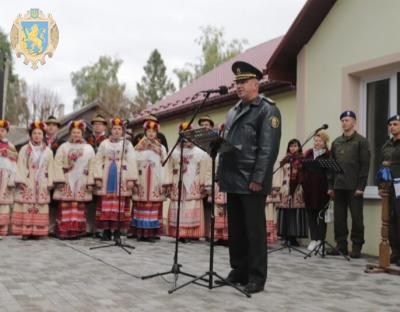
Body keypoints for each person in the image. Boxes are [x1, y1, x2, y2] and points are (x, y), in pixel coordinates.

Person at [218, 61, 281, 294]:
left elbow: (268, 148)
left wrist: (258, 177)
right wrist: (220, 176)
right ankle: (239, 270)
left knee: (254, 231)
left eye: (243, 82)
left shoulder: (268, 109)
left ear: (256, 84)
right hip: (233, 179)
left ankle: (256, 276)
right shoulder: (233, 110)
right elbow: (226, 147)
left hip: (252, 180)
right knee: (236, 230)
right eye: (237, 82)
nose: (238, 86)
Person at [327, 110, 370, 258]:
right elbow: (331, 166)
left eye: (347, 120)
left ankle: (357, 246)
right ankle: (341, 245)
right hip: (339, 186)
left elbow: (365, 166)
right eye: (343, 120)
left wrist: (361, 186)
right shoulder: (336, 142)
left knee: (357, 218)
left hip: (354, 187)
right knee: (339, 218)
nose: (344, 123)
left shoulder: (361, 141)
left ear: (354, 122)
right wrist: (330, 186)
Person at [165, 122, 211, 243]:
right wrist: (168, 183)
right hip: (178, 183)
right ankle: (179, 233)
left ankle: (192, 233)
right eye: (183, 135)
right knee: (178, 206)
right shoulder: (174, 151)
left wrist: (203, 184)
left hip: (193, 183)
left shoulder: (200, 151)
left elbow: (204, 168)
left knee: (191, 205)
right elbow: (169, 168)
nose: (186, 138)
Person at [94, 118, 138, 241]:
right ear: (111, 130)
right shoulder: (104, 143)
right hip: (107, 176)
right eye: (114, 129)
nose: (117, 131)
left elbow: (132, 161)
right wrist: (97, 177)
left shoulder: (127, 144)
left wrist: (131, 179)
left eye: (119, 129)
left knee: (119, 204)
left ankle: (117, 231)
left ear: (123, 131)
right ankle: (106, 231)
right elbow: (98, 160)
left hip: (122, 176)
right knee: (106, 204)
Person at [53, 120, 95, 239]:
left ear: (82, 133)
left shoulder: (89, 148)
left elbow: (92, 165)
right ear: (70, 133)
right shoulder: (63, 147)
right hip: (67, 179)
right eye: (74, 132)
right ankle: (64, 231)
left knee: (79, 206)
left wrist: (90, 181)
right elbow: (57, 163)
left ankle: (77, 231)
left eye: (78, 132)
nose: (76, 134)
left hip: (82, 179)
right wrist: (61, 176)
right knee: (66, 205)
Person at [12, 121, 54, 239]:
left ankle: (37, 231)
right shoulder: (25, 149)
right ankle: (26, 231)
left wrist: (50, 181)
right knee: (27, 204)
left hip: (42, 181)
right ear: (30, 135)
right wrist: (21, 180)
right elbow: (20, 164)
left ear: (43, 135)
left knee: (40, 205)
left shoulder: (48, 151)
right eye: (34, 133)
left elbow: (50, 167)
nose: (37, 135)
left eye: (39, 133)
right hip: (28, 180)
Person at [131, 119, 167, 242]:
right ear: (145, 132)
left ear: (157, 133)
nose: (151, 134)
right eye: (149, 131)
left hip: (155, 180)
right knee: (141, 205)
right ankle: (140, 232)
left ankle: (151, 233)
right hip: (142, 179)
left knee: (152, 206)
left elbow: (164, 165)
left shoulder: (161, 148)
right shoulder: (138, 147)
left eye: (154, 131)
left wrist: (163, 182)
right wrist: (134, 180)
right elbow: (133, 163)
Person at [275, 139, 307, 246]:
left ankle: (294, 237)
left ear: (299, 147)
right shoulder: (285, 159)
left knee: (295, 212)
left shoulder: (302, 159)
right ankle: (285, 235)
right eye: (291, 146)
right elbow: (280, 173)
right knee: (285, 212)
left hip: (297, 188)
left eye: (295, 146)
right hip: (285, 188)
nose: (293, 148)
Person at [302, 131, 330, 251]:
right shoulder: (308, 153)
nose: (317, 143)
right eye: (316, 141)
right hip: (308, 190)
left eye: (320, 141)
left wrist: (330, 188)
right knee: (311, 215)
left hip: (322, 190)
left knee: (321, 215)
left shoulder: (328, 155)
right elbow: (302, 170)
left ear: (325, 143)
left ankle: (320, 240)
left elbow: (330, 173)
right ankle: (313, 239)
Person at [379, 114, 400, 266]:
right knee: (390, 220)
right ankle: (395, 252)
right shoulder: (386, 146)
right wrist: (380, 185)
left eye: (396, 124)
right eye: (390, 124)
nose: (392, 127)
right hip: (389, 188)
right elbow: (382, 167)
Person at [86, 114, 108, 237]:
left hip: (102, 173)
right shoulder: (87, 139)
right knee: (89, 200)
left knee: (101, 201)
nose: (97, 126)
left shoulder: (108, 140)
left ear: (104, 126)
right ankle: (89, 227)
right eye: (95, 124)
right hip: (89, 172)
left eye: (100, 124)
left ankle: (100, 229)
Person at [198, 115, 214, 242]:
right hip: (197, 180)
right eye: (202, 125)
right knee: (201, 207)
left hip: (211, 179)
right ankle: (203, 231)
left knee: (211, 206)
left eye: (207, 125)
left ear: (211, 127)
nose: (204, 127)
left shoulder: (215, 142)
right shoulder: (196, 142)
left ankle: (211, 233)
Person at [0, 120, 17, 239]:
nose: (0, 133)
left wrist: (12, 178)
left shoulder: (11, 146)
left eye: (2, 131)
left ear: (7, 132)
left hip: (5, 176)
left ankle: (2, 230)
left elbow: (14, 162)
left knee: (4, 204)